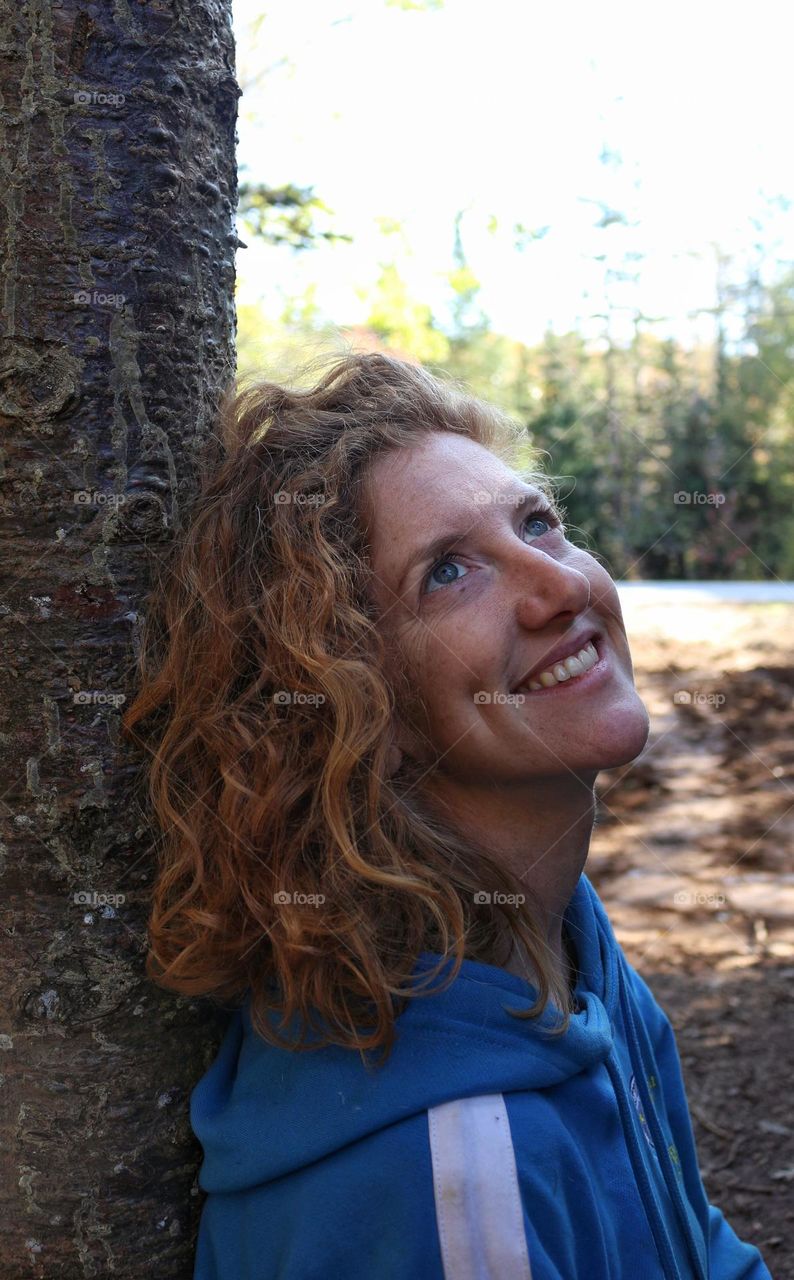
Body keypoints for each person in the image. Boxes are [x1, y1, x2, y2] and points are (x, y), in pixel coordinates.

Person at [124, 351, 772, 1279]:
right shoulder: (452, 1187)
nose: (561, 589)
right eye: (450, 572)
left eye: (538, 523)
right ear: (356, 707)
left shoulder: (564, 944)